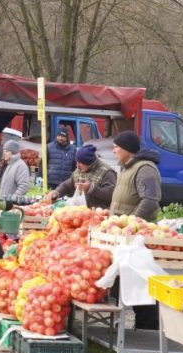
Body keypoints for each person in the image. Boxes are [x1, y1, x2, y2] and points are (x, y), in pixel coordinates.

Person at [110, 130, 164, 330]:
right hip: (124, 236)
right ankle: (137, 324)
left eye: (117, 146)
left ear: (128, 150)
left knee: (142, 283)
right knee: (128, 281)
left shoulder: (145, 169)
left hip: (139, 239)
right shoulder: (125, 168)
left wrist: (133, 223)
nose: (114, 150)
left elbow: (150, 200)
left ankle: (147, 328)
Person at [41, 144, 116, 210]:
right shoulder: (79, 170)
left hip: (99, 214)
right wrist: (56, 192)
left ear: (89, 163)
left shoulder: (107, 172)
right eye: (76, 162)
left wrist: (91, 188)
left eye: (80, 163)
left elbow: (111, 194)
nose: (77, 166)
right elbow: (68, 185)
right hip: (80, 213)